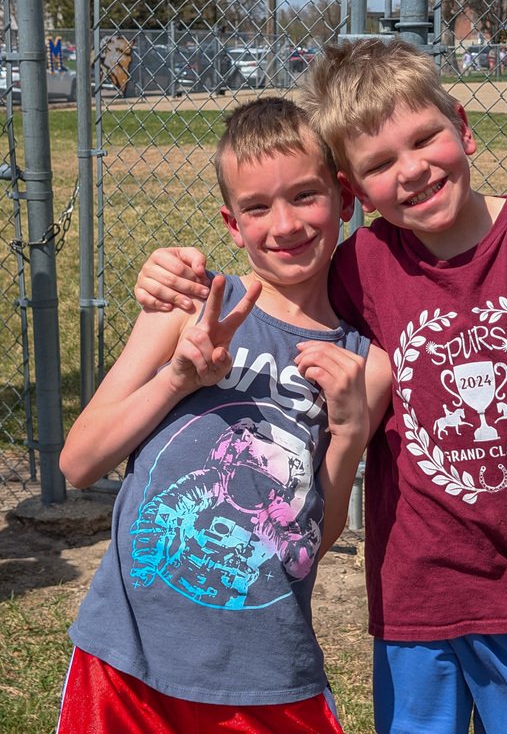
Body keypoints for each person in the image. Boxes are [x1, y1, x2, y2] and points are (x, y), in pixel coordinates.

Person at [135, 40, 507, 734]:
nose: (410, 171)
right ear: (354, 191)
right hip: (419, 600)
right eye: (377, 164)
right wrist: (170, 275)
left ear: (462, 127)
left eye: (425, 139)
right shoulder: (363, 266)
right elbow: (276, 280)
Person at [58, 97, 391, 734]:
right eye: (258, 207)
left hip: (267, 672)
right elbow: (80, 462)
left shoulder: (364, 366)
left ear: (344, 198)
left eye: (304, 196)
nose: (285, 223)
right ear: (231, 223)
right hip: (128, 662)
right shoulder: (188, 305)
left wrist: (348, 431)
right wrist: (180, 378)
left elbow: (306, 548)